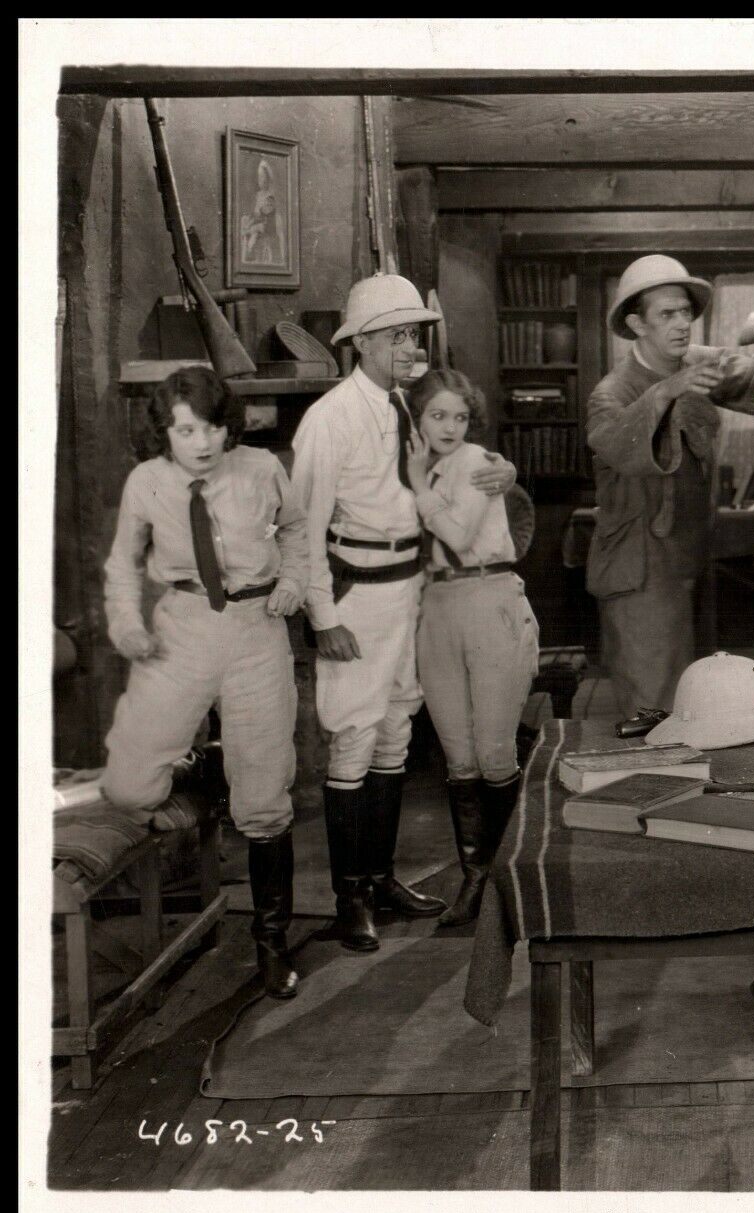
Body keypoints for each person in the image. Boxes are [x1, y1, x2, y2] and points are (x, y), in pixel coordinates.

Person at [291, 274, 517, 954]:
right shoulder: (330, 418)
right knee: (354, 741)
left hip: (412, 588)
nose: (408, 345)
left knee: (395, 733)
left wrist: (503, 474)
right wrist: (323, 616)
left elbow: (459, 472)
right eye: (395, 335)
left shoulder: (406, 406)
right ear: (359, 343)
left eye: (414, 333)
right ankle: (350, 895)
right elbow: (302, 527)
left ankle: (383, 879)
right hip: (356, 595)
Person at [102, 366, 308, 999]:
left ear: (229, 427)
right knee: (130, 787)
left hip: (253, 629)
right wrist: (126, 624)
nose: (201, 441)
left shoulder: (261, 470)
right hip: (181, 628)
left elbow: (297, 531)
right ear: (166, 431)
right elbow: (122, 564)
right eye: (186, 429)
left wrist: (294, 581)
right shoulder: (147, 482)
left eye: (213, 426)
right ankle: (207, 769)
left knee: (265, 805)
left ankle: (271, 948)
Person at [586, 254, 754, 727]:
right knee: (654, 706)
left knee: (699, 704)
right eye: (667, 314)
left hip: (691, 558)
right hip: (640, 571)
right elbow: (616, 444)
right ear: (635, 324)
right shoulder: (612, 391)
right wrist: (667, 391)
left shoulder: (695, 369)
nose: (683, 323)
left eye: (686, 312)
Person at [405, 369, 540, 928]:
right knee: (458, 758)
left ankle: (510, 883)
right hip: (435, 610)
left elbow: (459, 536)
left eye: (460, 416)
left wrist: (416, 485)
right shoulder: (415, 466)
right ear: (416, 418)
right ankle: (475, 881)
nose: (451, 427)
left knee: (493, 754)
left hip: (490, 601)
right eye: (438, 415)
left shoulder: (481, 464)